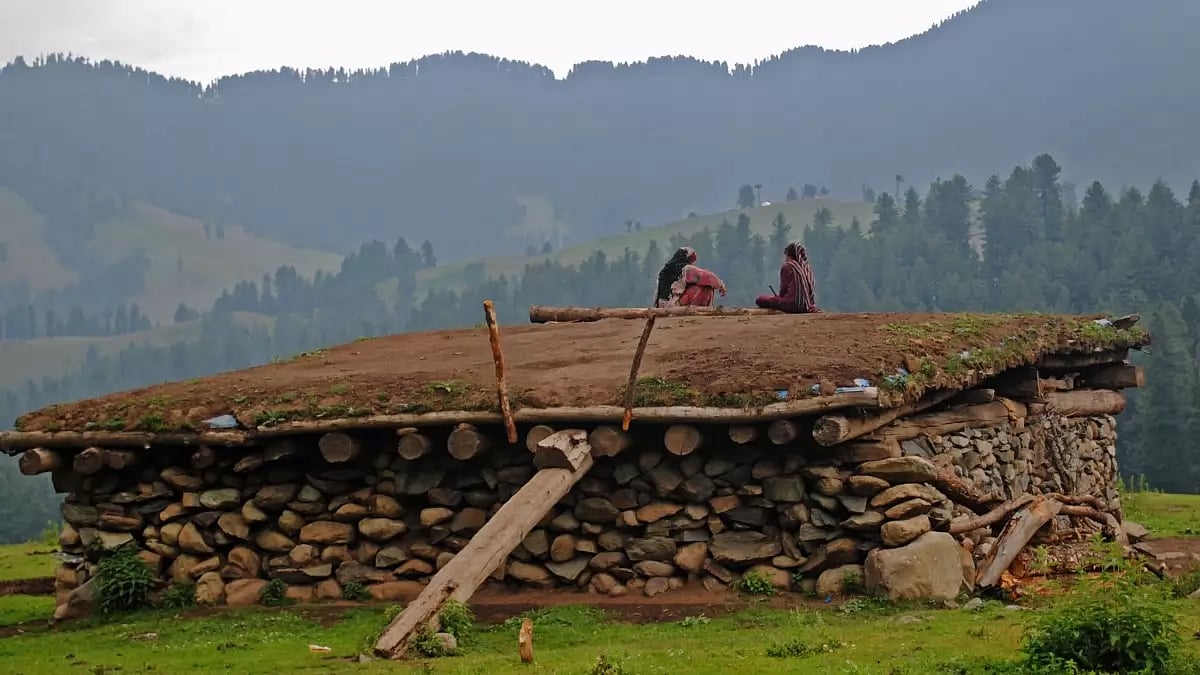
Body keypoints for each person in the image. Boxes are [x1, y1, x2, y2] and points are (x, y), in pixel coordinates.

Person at [755, 242, 820, 313]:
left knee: (760, 299)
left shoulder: (788, 266)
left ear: (789, 256)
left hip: (791, 305)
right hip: (806, 305)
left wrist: (779, 299)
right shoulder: (807, 268)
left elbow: (783, 289)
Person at [654, 246, 727, 308]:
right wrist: (721, 285)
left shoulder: (664, 269)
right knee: (706, 287)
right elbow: (707, 277)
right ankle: (701, 311)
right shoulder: (685, 269)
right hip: (673, 305)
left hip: (662, 305)